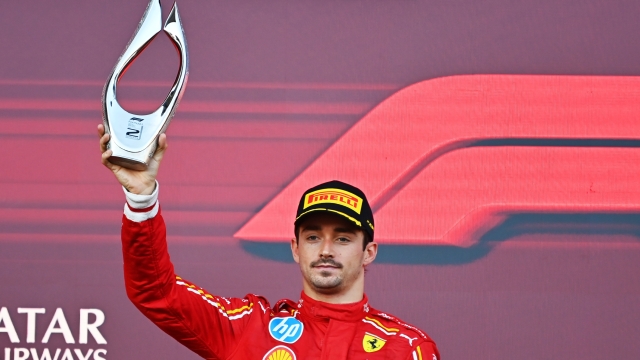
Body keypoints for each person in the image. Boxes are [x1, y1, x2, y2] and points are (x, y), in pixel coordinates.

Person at [98, 125, 440, 360]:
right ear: (295, 248)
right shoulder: (250, 326)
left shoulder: (407, 347)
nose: (325, 249)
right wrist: (141, 198)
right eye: (312, 237)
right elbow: (157, 293)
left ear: (369, 252)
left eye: (343, 238)